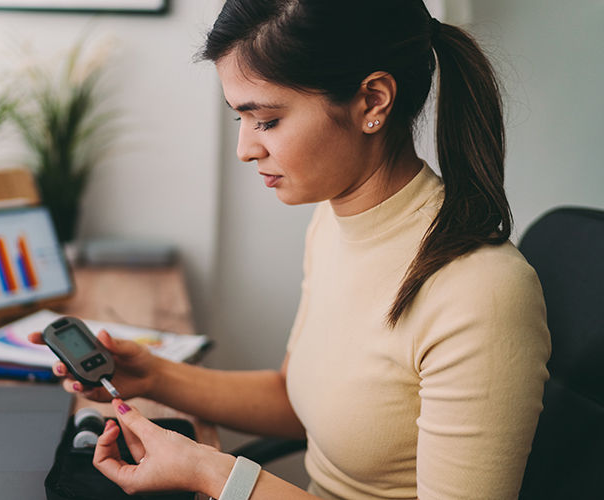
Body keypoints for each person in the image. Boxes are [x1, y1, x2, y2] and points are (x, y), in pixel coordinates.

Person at [31, 1, 551, 498]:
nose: (245, 148)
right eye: (241, 118)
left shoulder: (482, 293)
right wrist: (155, 376)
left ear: (372, 101)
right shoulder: (332, 220)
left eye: (267, 120)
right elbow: (298, 400)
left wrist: (213, 474)